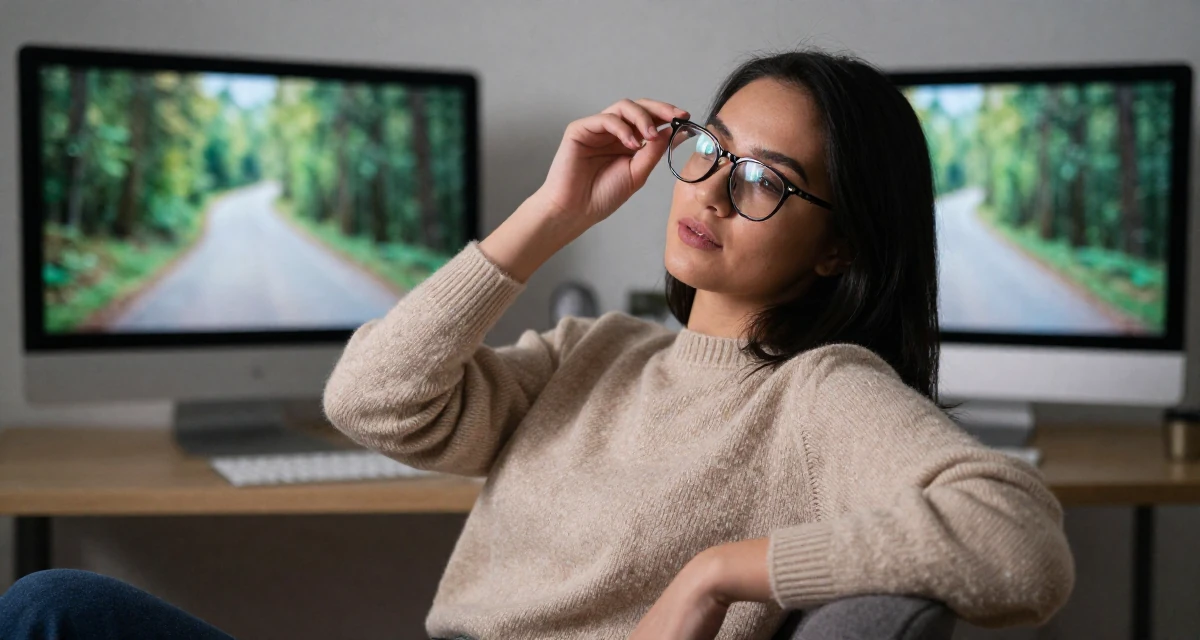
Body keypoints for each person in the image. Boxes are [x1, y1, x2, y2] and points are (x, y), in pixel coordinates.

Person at [0, 48, 1074, 640]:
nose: (710, 187)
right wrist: (551, 217)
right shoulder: (595, 350)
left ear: (838, 249)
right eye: (709, 148)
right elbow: (369, 402)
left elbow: (1020, 540)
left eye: (766, 179)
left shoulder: (820, 392)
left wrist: (715, 577)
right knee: (53, 607)